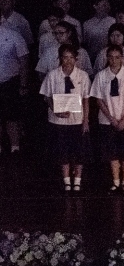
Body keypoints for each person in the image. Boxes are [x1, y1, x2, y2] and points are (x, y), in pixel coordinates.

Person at [40, 45, 91, 192]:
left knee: (79, 151)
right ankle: (67, 181)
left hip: (77, 120)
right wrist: (56, 110)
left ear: (76, 59)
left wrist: (85, 120)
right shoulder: (53, 75)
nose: (68, 61)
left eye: (71, 57)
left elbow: (86, 99)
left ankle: (78, 181)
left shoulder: (82, 76)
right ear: (60, 58)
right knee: (62, 151)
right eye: (64, 57)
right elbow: (47, 97)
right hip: (58, 121)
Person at [89, 45, 124, 191]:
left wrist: (123, 120)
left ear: (122, 58)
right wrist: (112, 119)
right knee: (112, 151)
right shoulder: (101, 76)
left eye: (117, 57)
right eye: (111, 57)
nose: (114, 60)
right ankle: (116, 180)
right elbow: (99, 100)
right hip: (107, 120)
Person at [0, 21, 28, 155]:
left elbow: (24, 61)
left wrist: (23, 84)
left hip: (10, 83)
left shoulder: (14, 35)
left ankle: (15, 147)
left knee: (12, 116)